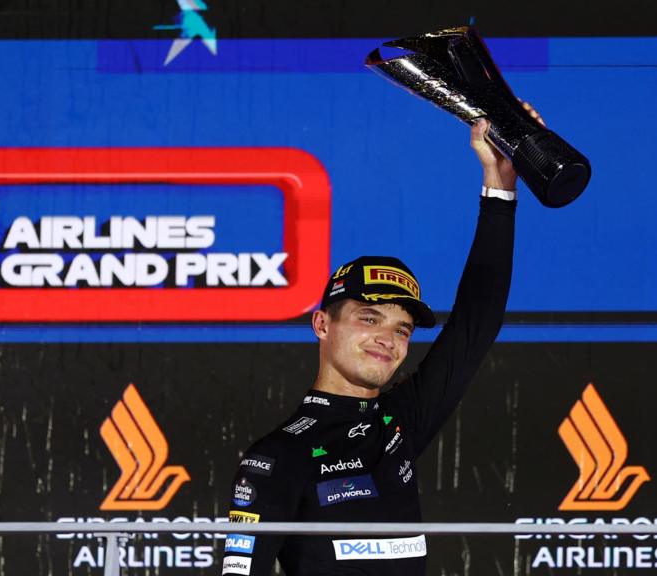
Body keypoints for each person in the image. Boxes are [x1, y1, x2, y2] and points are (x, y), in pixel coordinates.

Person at [222, 105, 543, 576]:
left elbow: (477, 320)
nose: (386, 339)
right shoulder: (276, 457)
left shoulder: (400, 423)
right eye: (369, 318)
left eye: (401, 329)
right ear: (322, 326)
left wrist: (501, 186)